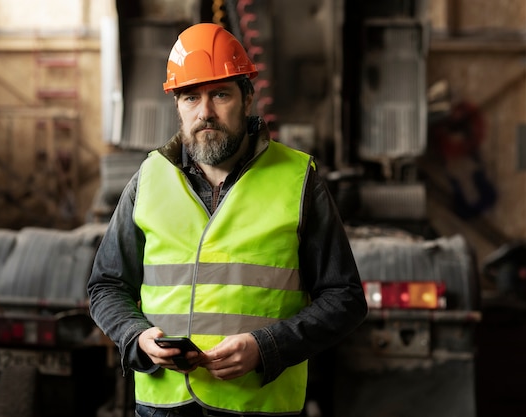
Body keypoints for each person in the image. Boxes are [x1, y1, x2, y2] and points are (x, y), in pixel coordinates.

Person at [88, 22, 367, 417]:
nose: (205, 112)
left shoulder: (298, 179)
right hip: (163, 408)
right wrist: (137, 336)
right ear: (177, 106)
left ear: (247, 99)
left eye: (220, 94)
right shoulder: (148, 179)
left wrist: (266, 347)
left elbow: (346, 298)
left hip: (257, 405)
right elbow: (106, 285)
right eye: (190, 97)